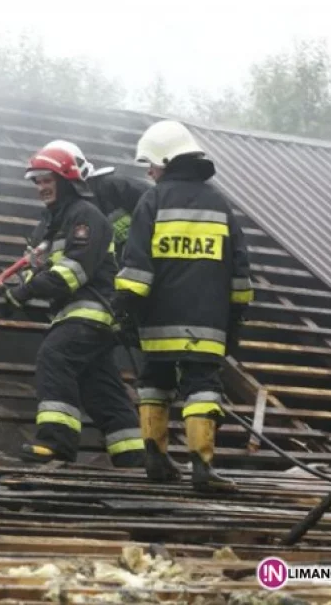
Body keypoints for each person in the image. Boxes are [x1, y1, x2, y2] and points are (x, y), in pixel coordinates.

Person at [112, 120, 254, 493]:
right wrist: (236, 315)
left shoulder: (153, 200)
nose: (148, 171)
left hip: (158, 319)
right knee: (202, 387)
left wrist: (124, 305)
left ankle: (155, 460)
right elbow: (240, 267)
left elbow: (137, 261)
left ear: (165, 160)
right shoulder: (219, 203)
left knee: (154, 381)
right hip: (207, 322)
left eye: (151, 164)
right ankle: (203, 468)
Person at [0, 141, 145, 468]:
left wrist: (27, 292)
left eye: (47, 180)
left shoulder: (86, 216)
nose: (41, 188)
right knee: (100, 387)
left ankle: (56, 443)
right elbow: (36, 267)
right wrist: (15, 288)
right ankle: (133, 456)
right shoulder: (47, 226)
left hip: (93, 311)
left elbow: (73, 271)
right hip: (72, 315)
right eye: (36, 181)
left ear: (66, 179)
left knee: (55, 355)